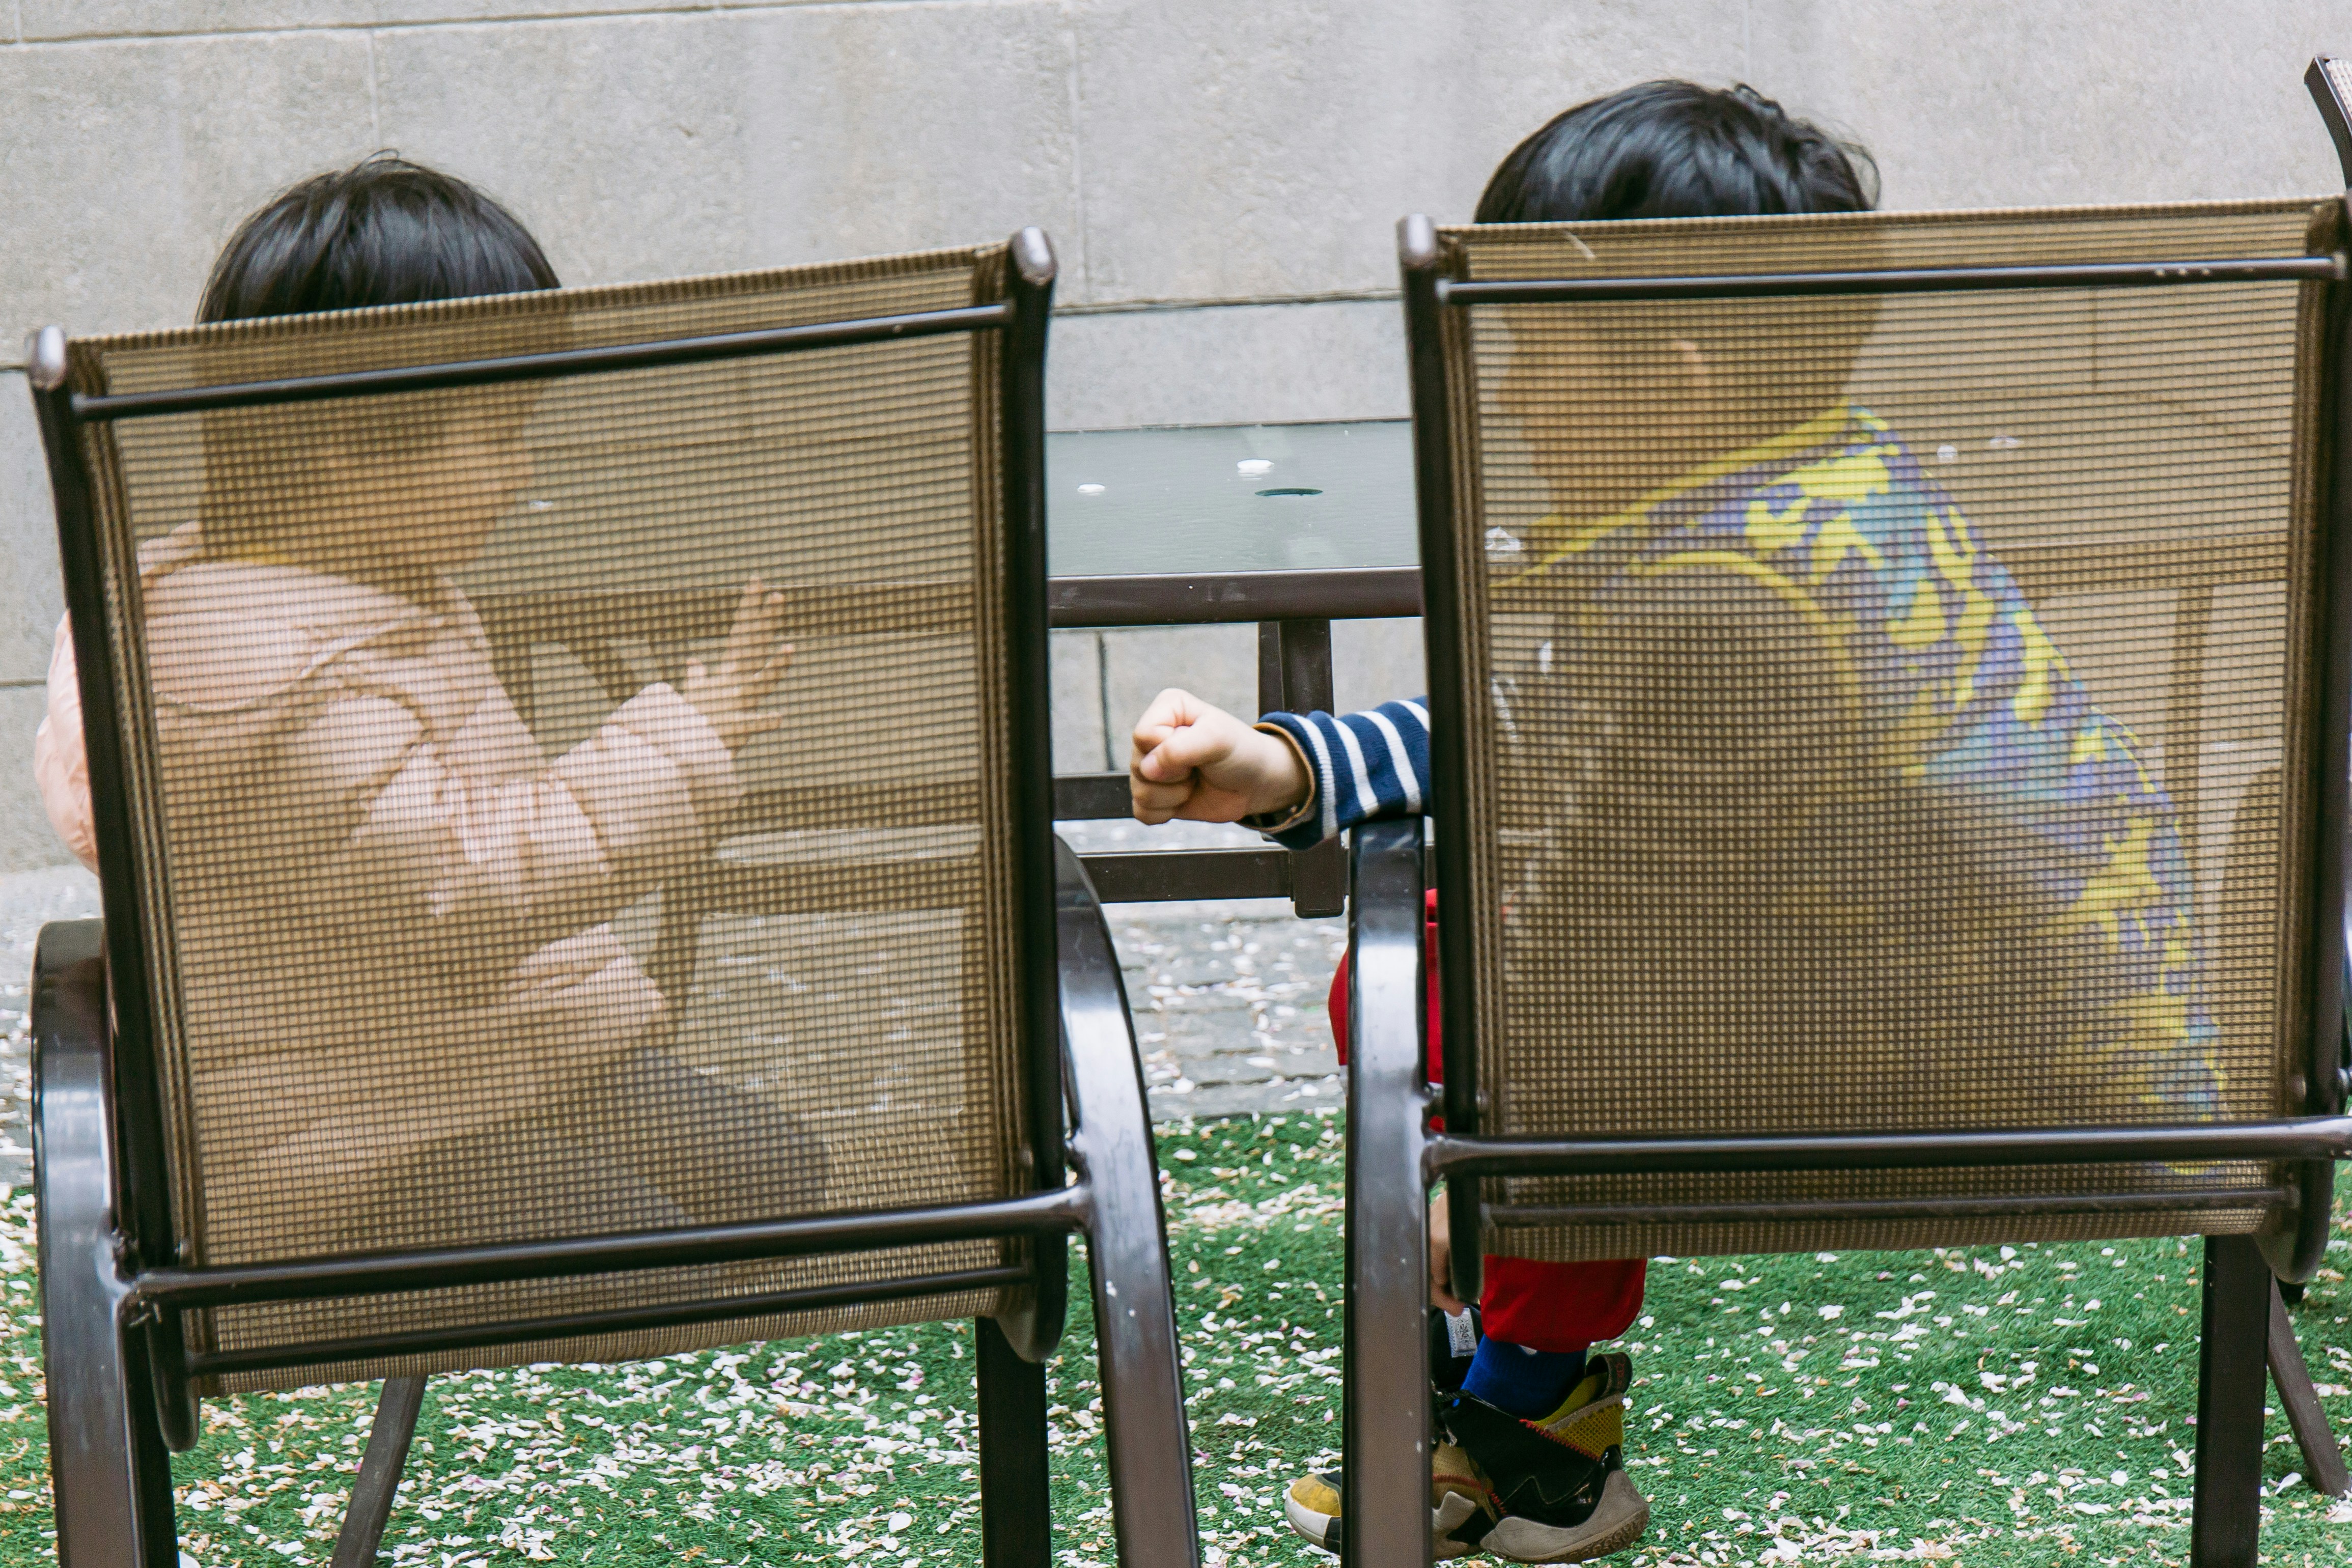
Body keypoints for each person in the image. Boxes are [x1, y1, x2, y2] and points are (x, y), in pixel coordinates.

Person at [1129, 81, 2219, 1563]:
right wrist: (1291, 763)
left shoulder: (1718, 607)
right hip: (2079, 1047)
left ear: (1675, 385)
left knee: (1444, 994)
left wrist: (1458, 1160)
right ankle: (1516, 1386)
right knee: (1467, 982)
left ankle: (1531, 1426)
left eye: (1527, 356)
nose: (1502, 398)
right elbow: (1537, 729)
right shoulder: (1818, 499)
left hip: (1964, 1086)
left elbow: (1604, 966)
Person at [33, 155, 818, 1254]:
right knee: (639, 1243)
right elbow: (469, 880)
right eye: (497, 436)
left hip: (479, 1057)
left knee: (770, 1174)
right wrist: (682, 742)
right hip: (346, 1145)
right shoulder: (246, 669)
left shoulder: (361, 589)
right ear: (344, 444)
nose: (522, 468)